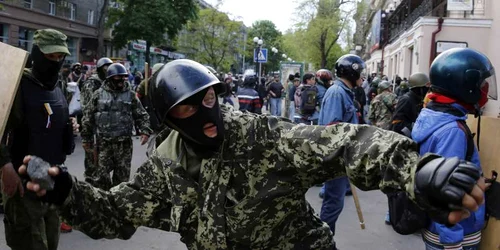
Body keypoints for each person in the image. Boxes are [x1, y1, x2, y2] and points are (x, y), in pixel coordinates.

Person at [19, 59, 485, 250]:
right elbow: (116, 213)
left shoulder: (262, 136)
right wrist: (63, 188)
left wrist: (416, 170)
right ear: (169, 119)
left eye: (209, 99)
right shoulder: (165, 166)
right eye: (186, 107)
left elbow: (349, 142)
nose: (206, 114)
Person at [0, 28, 77, 249]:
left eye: (60, 56)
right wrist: (5, 167)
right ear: (36, 53)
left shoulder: (57, 86)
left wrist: (68, 125)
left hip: (50, 178)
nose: (55, 61)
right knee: (29, 243)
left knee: (50, 242)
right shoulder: (16, 83)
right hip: (22, 180)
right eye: (50, 56)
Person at [412, 48, 496, 250]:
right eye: (481, 84)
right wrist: (453, 243)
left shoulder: (433, 116)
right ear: (465, 85)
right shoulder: (452, 131)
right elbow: (447, 191)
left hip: (438, 230)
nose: (485, 90)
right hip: (455, 235)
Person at [80, 63, 152, 190]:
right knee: (101, 179)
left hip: (124, 145)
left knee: (122, 181)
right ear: (109, 78)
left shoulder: (130, 95)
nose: (121, 81)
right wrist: (86, 139)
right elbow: (88, 117)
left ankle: (117, 207)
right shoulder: (98, 94)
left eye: (123, 77)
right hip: (104, 144)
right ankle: (103, 206)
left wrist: (145, 131)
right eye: (117, 78)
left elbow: (142, 114)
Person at [317, 54, 365, 248]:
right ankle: (323, 243)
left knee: (335, 202)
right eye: (360, 72)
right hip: (336, 157)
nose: (363, 76)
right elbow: (332, 129)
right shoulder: (337, 92)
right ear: (351, 72)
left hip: (342, 157)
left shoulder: (344, 92)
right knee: (333, 203)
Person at [79, 57, 113, 186]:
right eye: (105, 68)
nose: (108, 71)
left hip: (105, 128)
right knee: (92, 163)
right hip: (93, 127)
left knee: (103, 163)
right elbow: (87, 108)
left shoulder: (108, 82)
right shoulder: (92, 83)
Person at [390, 72, 430, 137]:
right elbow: (396, 123)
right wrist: (414, 128)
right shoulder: (406, 100)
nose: (427, 91)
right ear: (419, 88)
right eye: (425, 88)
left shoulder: (418, 99)